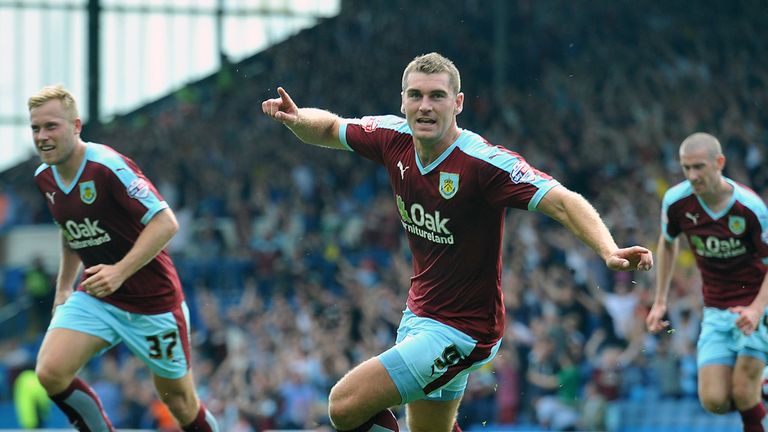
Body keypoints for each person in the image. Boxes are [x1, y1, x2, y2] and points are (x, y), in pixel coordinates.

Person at [261, 52, 653, 432]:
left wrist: (608, 249)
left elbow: (562, 202)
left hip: (465, 330)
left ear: (458, 103)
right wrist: (297, 119)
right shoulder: (392, 137)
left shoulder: (483, 163)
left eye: (437, 96)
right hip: (419, 314)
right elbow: (330, 128)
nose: (425, 106)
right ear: (403, 101)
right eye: (416, 95)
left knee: (344, 406)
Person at [28, 84, 219, 432]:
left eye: (51, 126)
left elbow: (166, 222)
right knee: (50, 372)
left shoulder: (107, 166)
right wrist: (64, 288)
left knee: (180, 403)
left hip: (153, 303)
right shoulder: (44, 177)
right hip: (98, 296)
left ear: (76, 126)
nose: (42, 136)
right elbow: (71, 230)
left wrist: (119, 271)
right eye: (35, 128)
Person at [646, 132, 768, 431]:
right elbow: (668, 243)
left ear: (719, 163)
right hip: (715, 308)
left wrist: (756, 309)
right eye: (686, 168)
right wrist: (660, 301)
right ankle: (763, 385)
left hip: (755, 306)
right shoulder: (676, 201)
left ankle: (757, 386)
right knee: (715, 401)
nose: (692, 175)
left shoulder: (750, 208)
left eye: (699, 167)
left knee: (743, 390)